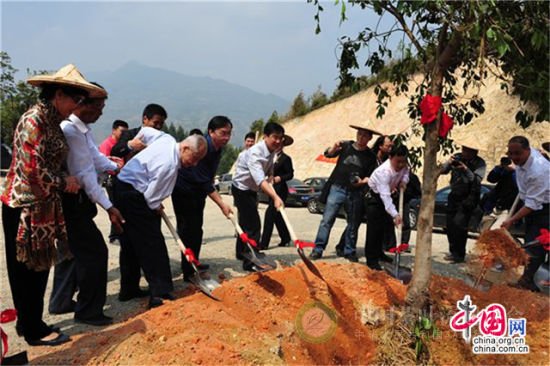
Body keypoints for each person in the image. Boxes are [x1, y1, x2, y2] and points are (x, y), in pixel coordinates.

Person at [1, 64, 104, 346]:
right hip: (25, 206)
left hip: (45, 206)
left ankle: (31, 321)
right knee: (25, 269)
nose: (78, 106)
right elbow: (31, 169)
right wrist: (63, 181)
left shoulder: (53, 123)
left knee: (39, 267)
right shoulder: (34, 121)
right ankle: (32, 329)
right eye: (76, 99)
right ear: (59, 95)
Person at [49, 84, 124, 326]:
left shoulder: (82, 130)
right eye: (98, 107)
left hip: (75, 201)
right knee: (94, 253)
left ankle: (60, 302)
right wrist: (109, 206)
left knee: (72, 253)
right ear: (82, 104)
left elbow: (94, 156)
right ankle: (88, 311)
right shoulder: (71, 131)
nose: (101, 112)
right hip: (72, 202)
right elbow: (84, 174)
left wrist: (115, 167)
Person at [114, 131, 207, 308]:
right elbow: (150, 199)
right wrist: (155, 204)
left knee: (131, 243)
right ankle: (161, 292)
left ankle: (129, 289)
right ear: (185, 147)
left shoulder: (167, 139)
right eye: (193, 158)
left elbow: (146, 132)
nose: (193, 164)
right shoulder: (169, 165)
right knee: (152, 243)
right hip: (134, 194)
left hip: (122, 186)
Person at [171, 116, 234, 282]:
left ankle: (194, 262)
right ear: (211, 132)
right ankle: (188, 271)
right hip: (184, 191)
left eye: (229, 134)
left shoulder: (218, 148)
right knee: (187, 230)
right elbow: (203, 180)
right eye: (223, 133)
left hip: (198, 192)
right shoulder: (201, 148)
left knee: (197, 230)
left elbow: (208, 177)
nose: (226, 137)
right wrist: (221, 203)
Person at [309, 122, 377, 262]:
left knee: (353, 223)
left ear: (370, 138)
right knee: (327, 220)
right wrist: (334, 147)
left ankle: (349, 251)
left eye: (365, 135)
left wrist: (362, 181)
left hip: (355, 192)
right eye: (360, 134)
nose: (361, 137)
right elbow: (328, 154)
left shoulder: (370, 156)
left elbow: (370, 176)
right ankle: (318, 249)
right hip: (337, 187)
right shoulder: (346, 146)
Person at [231, 122, 285, 271]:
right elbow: (260, 180)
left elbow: (269, 170)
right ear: (265, 136)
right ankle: (251, 262)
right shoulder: (255, 152)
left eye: (281, 138)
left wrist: (271, 176)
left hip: (250, 189)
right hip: (242, 189)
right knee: (253, 226)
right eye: (275, 137)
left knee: (244, 223)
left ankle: (241, 252)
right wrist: (275, 197)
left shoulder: (272, 150)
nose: (278, 141)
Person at [502, 136, 550, 291]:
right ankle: (528, 280)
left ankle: (528, 282)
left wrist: (512, 220)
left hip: (544, 210)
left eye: (518, 154)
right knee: (531, 243)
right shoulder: (526, 159)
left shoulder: (539, 170)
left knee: (536, 246)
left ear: (527, 151)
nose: (514, 158)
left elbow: (533, 204)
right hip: (530, 206)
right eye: (511, 154)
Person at [364, 145, 410, 270]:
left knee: (383, 229)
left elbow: (406, 172)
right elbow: (385, 197)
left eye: (403, 161)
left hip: (388, 196)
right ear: (390, 157)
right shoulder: (383, 172)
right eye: (398, 161)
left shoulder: (404, 165)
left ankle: (379, 253)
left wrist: (404, 181)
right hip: (374, 198)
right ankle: (371, 260)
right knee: (373, 230)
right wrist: (395, 215)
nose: (401, 164)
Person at [441, 140, 486, 263]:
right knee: (450, 225)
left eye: (467, 150)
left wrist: (465, 169)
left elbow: (476, 179)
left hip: (467, 198)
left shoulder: (480, 163)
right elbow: (443, 171)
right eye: (463, 149)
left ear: (474, 152)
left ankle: (459, 254)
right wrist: (449, 162)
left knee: (460, 225)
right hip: (454, 195)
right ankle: (453, 251)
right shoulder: (458, 157)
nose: (464, 152)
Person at [260, 135, 294, 249]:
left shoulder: (286, 158)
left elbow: (290, 174)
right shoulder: (268, 157)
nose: (278, 145)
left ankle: (264, 243)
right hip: (270, 189)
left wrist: (279, 178)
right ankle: (285, 238)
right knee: (278, 216)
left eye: (281, 144)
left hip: (280, 190)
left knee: (270, 214)